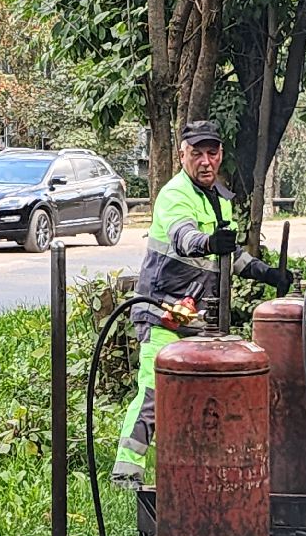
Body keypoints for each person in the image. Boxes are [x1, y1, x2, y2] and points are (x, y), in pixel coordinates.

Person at [112, 120, 294, 488]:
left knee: (199, 393)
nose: (206, 161)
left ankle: (190, 464)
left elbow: (229, 255)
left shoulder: (217, 198)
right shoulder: (175, 194)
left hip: (193, 319)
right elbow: (186, 237)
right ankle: (125, 471)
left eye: (212, 153)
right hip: (161, 313)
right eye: (197, 154)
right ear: (183, 156)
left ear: (221, 155)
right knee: (154, 390)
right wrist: (209, 243)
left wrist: (267, 273)